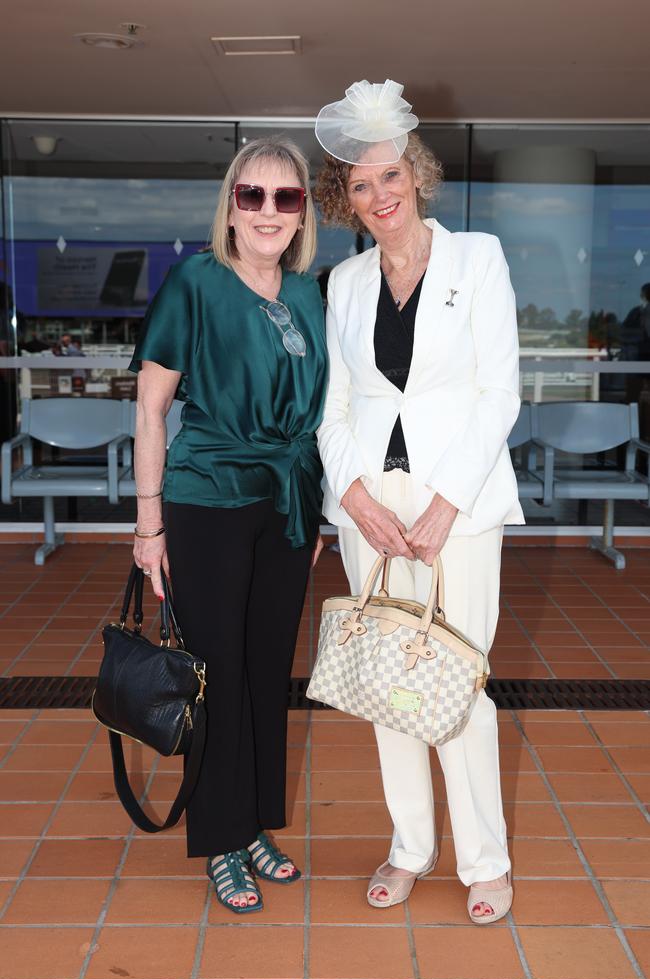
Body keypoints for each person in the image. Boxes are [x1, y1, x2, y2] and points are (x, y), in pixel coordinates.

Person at [314, 80, 524, 923]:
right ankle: (410, 848)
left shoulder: (479, 259)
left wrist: (443, 504)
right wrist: (356, 497)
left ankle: (484, 860)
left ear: (417, 173)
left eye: (390, 174)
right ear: (347, 199)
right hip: (373, 509)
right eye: (360, 185)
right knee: (385, 682)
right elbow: (332, 409)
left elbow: (498, 395)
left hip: (456, 508)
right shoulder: (346, 284)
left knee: (457, 682)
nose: (379, 195)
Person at [128, 137, 328, 914]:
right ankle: (218, 839)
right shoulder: (195, 283)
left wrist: (317, 518)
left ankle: (252, 826)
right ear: (232, 206)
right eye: (254, 196)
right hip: (207, 496)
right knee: (214, 674)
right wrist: (149, 527)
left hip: (287, 502)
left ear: (302, 210)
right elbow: (150, 409)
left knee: (267, 670)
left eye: (287, 197)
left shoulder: (311, 294)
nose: (270, 212)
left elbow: (323, 419)